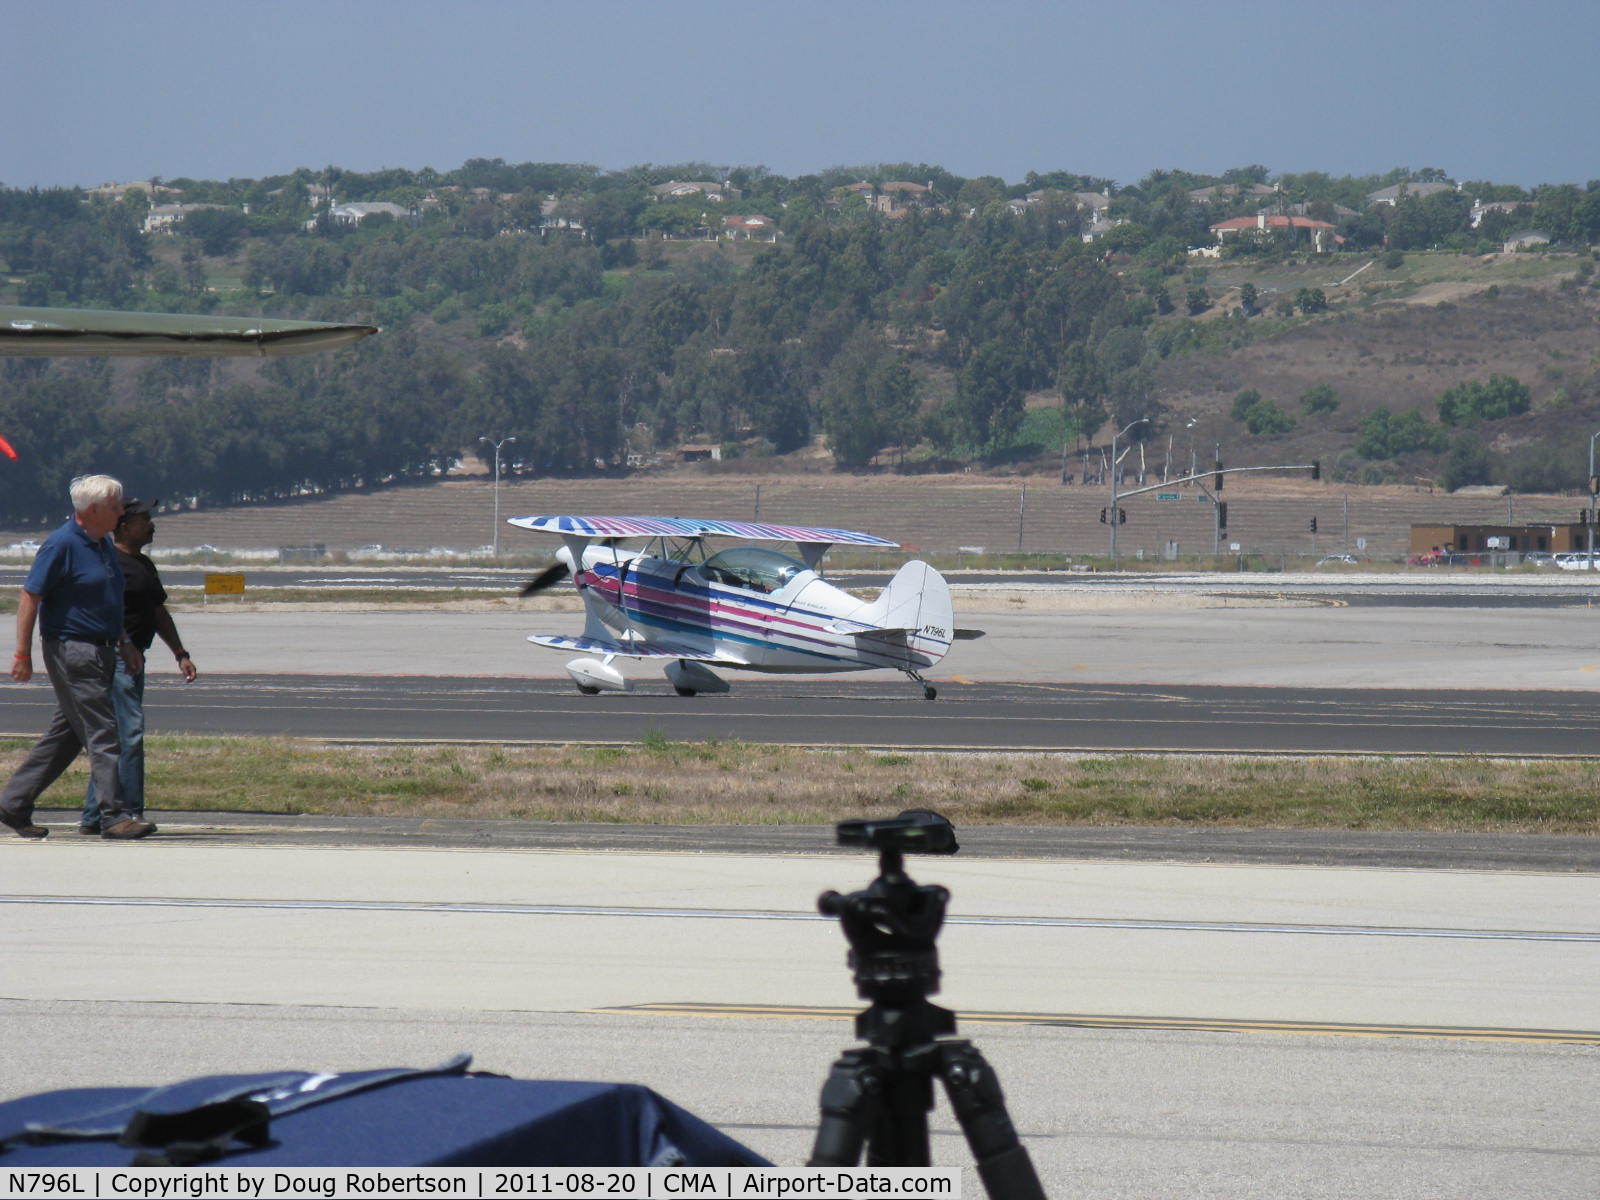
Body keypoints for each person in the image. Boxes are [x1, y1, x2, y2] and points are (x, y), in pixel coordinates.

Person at [0, 474, 154, 840]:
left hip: (103, 647)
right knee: (105, 730)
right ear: (93, 510)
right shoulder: (62, 545)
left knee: (68, 734)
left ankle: (13, 803)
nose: (122, 512)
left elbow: (108, 600)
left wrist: (124, 642)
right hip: (73, 649)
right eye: (116, 506)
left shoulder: (101, 545)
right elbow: (30, 597)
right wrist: (22, 653)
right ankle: (112, 816)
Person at [78, 497, 198, 835]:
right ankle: (124, 812)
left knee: (114, 735)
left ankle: (95, 814)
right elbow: (102, 611)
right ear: (125, 525)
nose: (152, 524)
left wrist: (180, 652)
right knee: (129, 733)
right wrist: (124, 645)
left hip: (134, 656)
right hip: (115, 656)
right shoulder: (108, 561)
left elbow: (157, 611)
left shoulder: (143, 565)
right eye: (145, 519)